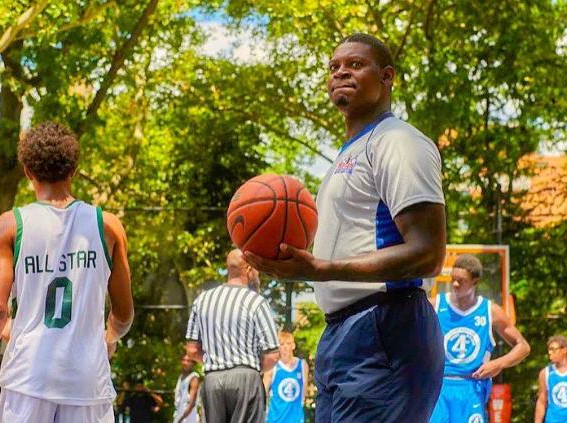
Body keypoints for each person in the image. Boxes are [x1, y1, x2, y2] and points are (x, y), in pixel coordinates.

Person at [244, 33, 447, 422]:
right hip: (343, 331)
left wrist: (321, 269)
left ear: (387, 77)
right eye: (334, 67)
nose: (341, 72)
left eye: (355, 65)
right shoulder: (347, 155)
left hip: (386, 324)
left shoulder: (398, 141)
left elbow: (428, 253)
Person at [0, 121, 134, 423]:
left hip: (27, 380)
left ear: (28, 171)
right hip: (87, 383)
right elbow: (123, 315)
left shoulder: (11, 225)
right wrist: (109, 336)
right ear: (74, 170)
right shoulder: (107, 226)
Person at [428, 254, 530, 423]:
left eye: (461, 281)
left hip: (472, 386)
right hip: (440, 386)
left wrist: (498, 363)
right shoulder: (434, 305)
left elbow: (523, 346)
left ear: (475, 282)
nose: (455, 284)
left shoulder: (490, 311)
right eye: (453, 279)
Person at [185, 249, 280, 422]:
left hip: (213, 379)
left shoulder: (203, 300)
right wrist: (249, 366)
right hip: (246, 378)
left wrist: (216, 361)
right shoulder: (255, 301)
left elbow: (191, 350)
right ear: (249, 269)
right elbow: (272, 355)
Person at [264, 331, 309, 423]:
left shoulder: (302, 365)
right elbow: (263, 393)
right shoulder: (272, 367)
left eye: (288, 343)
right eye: (282, 344)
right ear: (278, 347)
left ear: (293, 345)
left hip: (296, 419)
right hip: (275, 419)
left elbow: (303, 393)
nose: (285, 347)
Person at [173, 355, 200, 423]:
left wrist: (181, 419)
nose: (185, 363)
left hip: (188, 417)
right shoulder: (181, 377)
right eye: (183, 360)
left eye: (188, 361)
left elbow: (192, 403)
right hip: (178, 414)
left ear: (193, 364)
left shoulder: (194, 378)